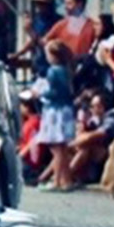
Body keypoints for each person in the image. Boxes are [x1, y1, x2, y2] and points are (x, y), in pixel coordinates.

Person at [36, 41, 77, 190]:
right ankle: (66, 180)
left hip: (54, 109)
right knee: (63, 147)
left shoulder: (53, 71)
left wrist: (39, 93)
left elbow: (54, 92)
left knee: (56, 147)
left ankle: (57, 180)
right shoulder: (66, 70)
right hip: (65, 108)